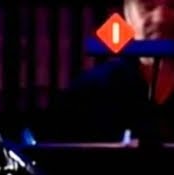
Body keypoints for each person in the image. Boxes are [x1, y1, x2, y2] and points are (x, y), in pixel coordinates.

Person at [31, 0, 174, 143]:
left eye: (173, 6)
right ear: (128, 15)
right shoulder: (89, 92)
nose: (160, 18)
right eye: (147, 7)